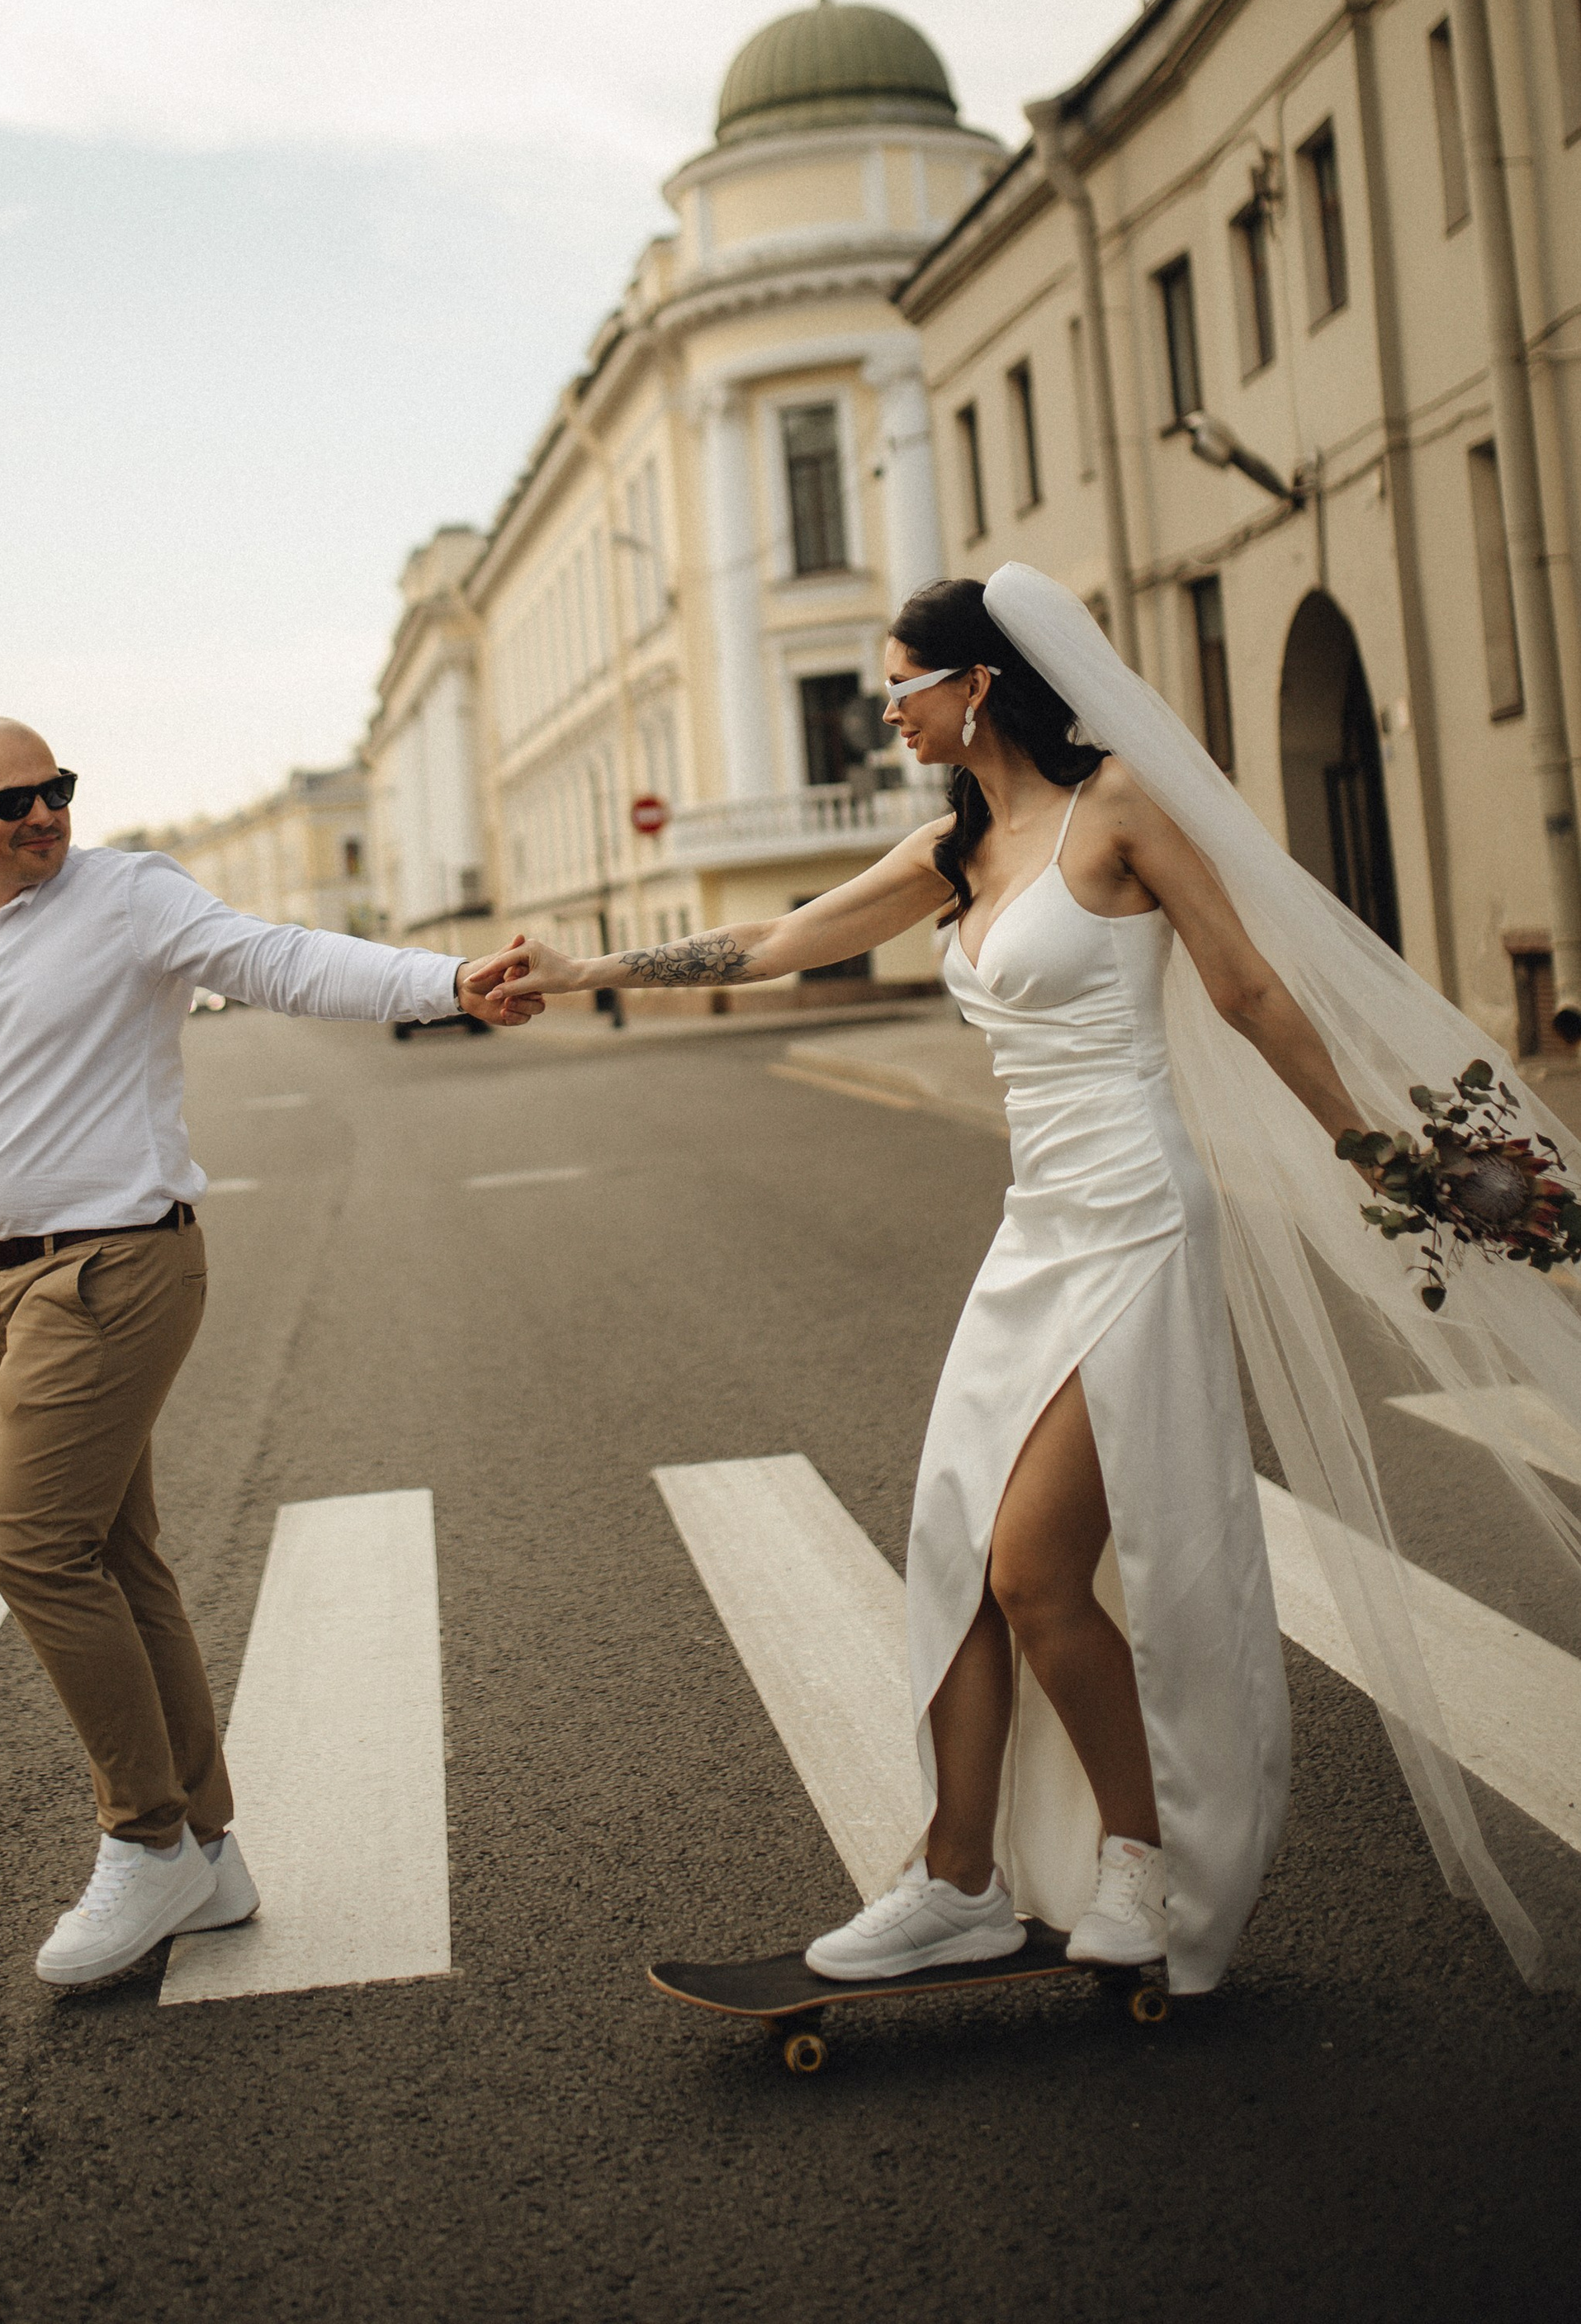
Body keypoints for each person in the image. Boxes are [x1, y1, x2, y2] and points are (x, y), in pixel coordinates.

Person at [489, 567, 1581, 1994]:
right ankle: (958, 1883)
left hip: (1136, 1220)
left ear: (980, 685)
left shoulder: (1118, 807)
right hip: (1036, 1233)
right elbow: (776, 939)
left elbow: (1248, 991)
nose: (888, 710)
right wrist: (582, 969)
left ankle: (1141, 1854)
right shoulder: (954, 849)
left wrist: (1381, 1155)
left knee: (1033, 1569)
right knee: (953, 1546)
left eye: (904, 684)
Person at [0, 717, 537, 1992]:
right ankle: (209, 1851)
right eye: (12, 799)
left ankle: (144, 1840)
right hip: (6, 1289)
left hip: (115, 1269)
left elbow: (279, 958)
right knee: (115, 1561)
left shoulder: (128, 896)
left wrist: (448, 981)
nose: (42, 813)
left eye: (56, 788)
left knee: (29, 1549)